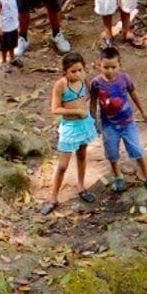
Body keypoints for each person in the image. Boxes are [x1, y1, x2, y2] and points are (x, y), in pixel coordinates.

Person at [90, 44, 147, 192]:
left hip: (127, 122)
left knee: (137, 149)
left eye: (113, 67)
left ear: (119, 65)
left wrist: (143, 112)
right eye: (106, 67)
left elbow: (134, 94)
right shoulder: (96, 83)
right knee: (112, 152)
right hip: (108, 125)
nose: (110, 70)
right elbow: (93, 102)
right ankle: (118, 177)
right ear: (100, 65)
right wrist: (93, 120)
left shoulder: (124, 78)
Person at [47, 49, 96, 200]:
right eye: (73, 71)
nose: (77, 74)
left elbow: (92, 94)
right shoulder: (61, 85)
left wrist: (92, 113)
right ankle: (53, 197)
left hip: (84, 124)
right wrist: (76, 111)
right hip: (70, 127)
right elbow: (55, 109)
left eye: (80, 70)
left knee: (82, 155)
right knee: (63, 165)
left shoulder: (83, 79)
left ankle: (81, 187)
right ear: (65, 72)